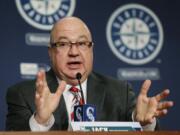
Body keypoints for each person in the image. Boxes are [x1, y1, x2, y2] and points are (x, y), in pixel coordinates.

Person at [6, 16, 173, 131]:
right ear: (50, 52)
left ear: (91, 49)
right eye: (63, 44)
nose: (74, 52)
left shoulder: (119, 92)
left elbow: (143, 125)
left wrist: (144, 124)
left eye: (82, 43)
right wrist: (40, 122)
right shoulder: (23, 94)